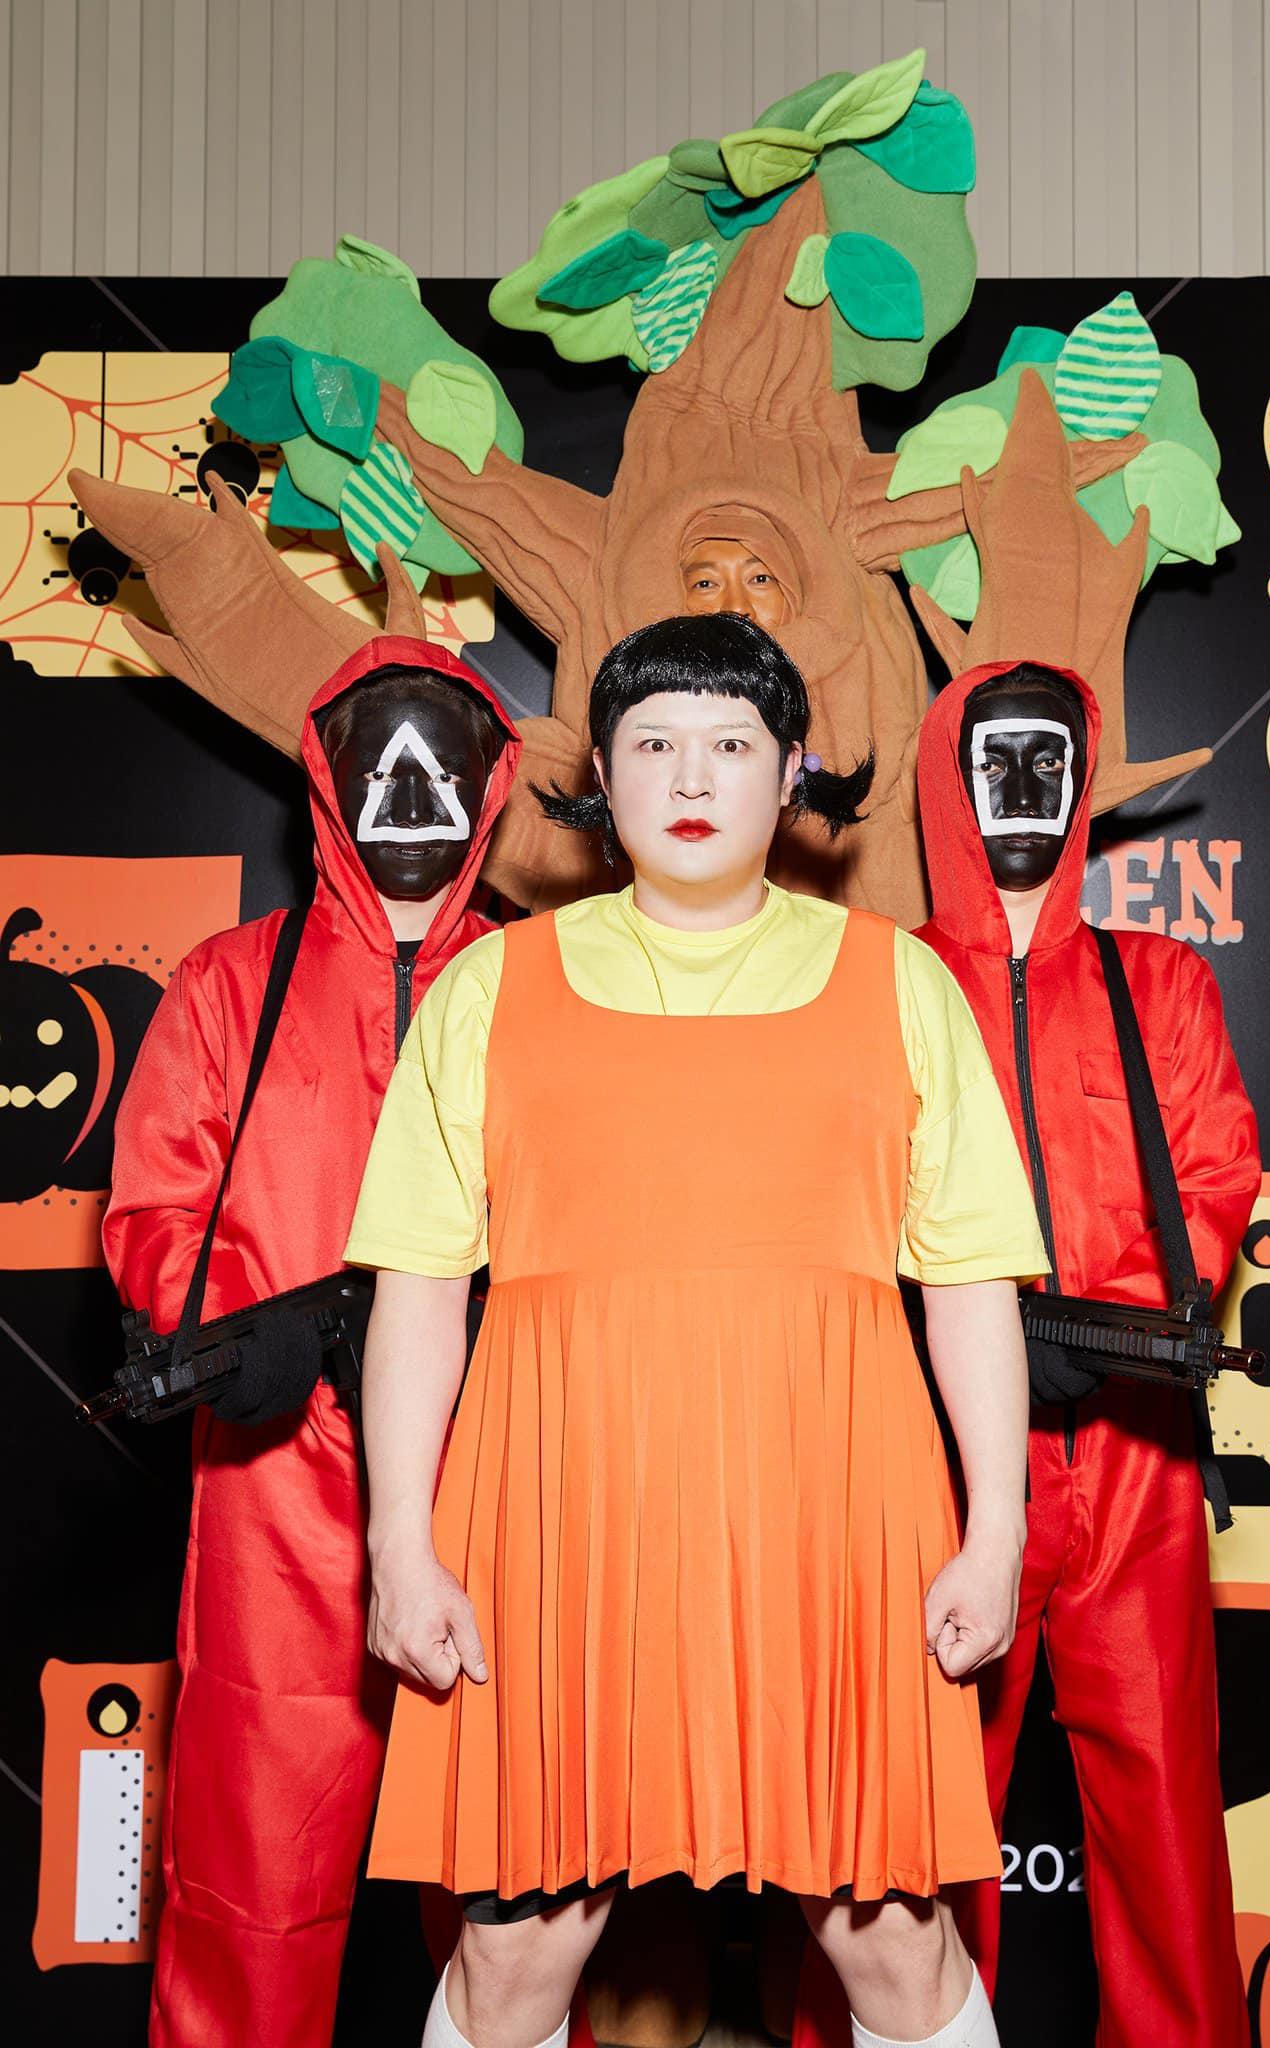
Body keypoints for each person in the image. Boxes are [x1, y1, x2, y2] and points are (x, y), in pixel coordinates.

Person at [345, 613, 1050, 2048]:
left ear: (789, 775)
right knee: (511, 1957)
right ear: (600, 776)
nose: (690, 775)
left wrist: (996, 1530)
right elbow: (416, 1287)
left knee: (896, 1947)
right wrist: (399, 1545)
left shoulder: (903, 982)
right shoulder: (487, 986)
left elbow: (972, 1282)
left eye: (730, 743)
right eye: (653, 742)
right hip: (556, 1509)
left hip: (832, 1510)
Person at [797, 656, 1259, 2048]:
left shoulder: (1158, 982)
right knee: (902, 1841)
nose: (1020, 784)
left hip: (1131, 1454)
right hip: (930, 1462)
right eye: (992, 755)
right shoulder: (874, 983)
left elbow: (1213, 1177)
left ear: (1080, 780)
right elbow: (828, 1206)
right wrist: (970, 1340)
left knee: (1165, 1829)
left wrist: (1107, 1323)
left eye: (1048, 757)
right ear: (949, 776)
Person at [103, 636, 521, 2048]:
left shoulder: (541, 986)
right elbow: (154, 1209)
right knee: (252, 1893)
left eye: (439, 766)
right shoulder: (232, 982)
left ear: (491, 785)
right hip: (277, 1488)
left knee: (522, 1909)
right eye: (376, 764)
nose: (408, 794)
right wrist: (244, 1327)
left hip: (501, 1480)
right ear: (327, 783)